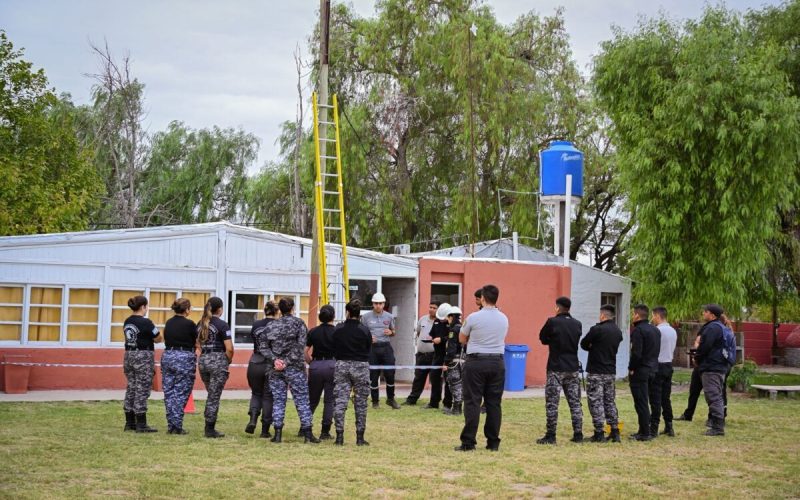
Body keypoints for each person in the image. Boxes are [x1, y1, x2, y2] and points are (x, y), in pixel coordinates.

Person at [455, 284, 508, 452]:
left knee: (472, 402)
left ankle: (468, 442)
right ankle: (493, 442)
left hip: (476, 362)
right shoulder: (504, 318)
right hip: (497, 362)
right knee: (494, 403)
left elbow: (462, 339)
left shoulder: (473, 317)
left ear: (483, 298)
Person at [262, 297, 319, 444]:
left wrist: (276, 360)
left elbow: (263, 346)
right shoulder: (299, 323)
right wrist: (286, 362)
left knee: (278, 401)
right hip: (295, 369)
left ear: (279, 309)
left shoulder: (271, 326)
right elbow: (301, 347)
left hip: (276, 369)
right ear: (292, 308)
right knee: (302, 401)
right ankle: (307, 434)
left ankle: (278, 434)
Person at [537, 296, 584, 445]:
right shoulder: (578, 324)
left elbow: (543, 338)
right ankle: (578, 433)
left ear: (557, 307)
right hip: (572, 367)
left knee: (552, 402)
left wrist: (553, 340)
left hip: (556, 367)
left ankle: (551, 435)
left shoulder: (552, 322)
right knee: (575, 402)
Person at [580, 304, 623, 443]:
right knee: (609, 401)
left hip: (596, 371)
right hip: (610, 371)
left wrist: (593, 346)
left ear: (603, 315)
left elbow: (584, 344)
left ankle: (599, 432)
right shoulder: (617, 331)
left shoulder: (597, 329)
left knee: (595, 402)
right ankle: (614, 431)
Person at [332, 299, 373, 446]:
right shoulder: (364, 330)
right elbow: (369, 348)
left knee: (340, 402)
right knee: (361, 402)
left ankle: (339, 436)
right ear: (359, 313)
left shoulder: (338, 328)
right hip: (361, 366)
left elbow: (333, 346)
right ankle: (360, 437)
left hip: (342, 365)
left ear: (347, 312)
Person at [122, 295, 162, 433]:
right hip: (143, 356)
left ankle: (129, 422)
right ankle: (141, 423)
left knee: (131, 387)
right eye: (147, 306)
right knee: (142, 388)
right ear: (143, 307)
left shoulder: (127, 321)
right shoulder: (146, 322)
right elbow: (158, 338)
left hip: (129, 355)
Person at [197, 296, 233, 438]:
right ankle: (209, 428)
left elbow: (197, 343)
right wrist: (227, 360)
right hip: (218, 360)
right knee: (214, 396)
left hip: (204, 359)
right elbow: (229, 348)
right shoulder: (222, 325)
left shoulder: (200, 324)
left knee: (211, 393)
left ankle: (209, 426)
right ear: (220, 309)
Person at [161, 298, 197, 435]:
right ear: (186, 310)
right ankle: (176, 426)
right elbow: (197, 339)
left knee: (169, 391)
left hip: (168, 355)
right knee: (181, 392)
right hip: (184, 357)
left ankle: (171, 424)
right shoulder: (189, 324)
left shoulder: (169, 322)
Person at [361, 292, 400, 409]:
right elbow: (361, 334)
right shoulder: (365, 317)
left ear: (384, 304)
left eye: (380, 303)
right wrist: (367, 338)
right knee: (373, 375)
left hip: (386, 347)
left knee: (390, 374)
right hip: (372, 349)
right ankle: (375, 401)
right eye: (376, 303)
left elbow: (394, 332)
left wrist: (391, 332)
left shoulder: (389, 316)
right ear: (372, 304)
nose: (378, 305)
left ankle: (391, 399)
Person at [246, 300, 279, 438]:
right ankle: (265, 430)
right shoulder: (278, 326)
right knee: (268, 396)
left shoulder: (256, 325)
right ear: (277, 312)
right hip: (271, 362)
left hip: (255, 361)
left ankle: (252, 419)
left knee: (256, 393)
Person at [628, 303, 660, 441]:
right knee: (648, 400)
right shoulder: (655, 330)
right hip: (653, 368)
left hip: (641, 370)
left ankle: (645, 433)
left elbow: (636, 353)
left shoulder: (638, 331)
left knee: (641, 401)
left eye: (633, 314)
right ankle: (645, 429)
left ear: (636, 315)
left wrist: (631, 368)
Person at [695, 304, 728, 436]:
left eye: (706, 312)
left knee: (713, 396)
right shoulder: (720, 327)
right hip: (718, 366)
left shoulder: (713, 328)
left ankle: (718, 427)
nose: (703, 313)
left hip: (712, 367)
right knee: (716, 395)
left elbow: (705, 346)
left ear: (712, 315)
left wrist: (697, 357)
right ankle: (716, 423)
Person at [305, 304, 337, 440]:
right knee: (329, 401)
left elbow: (304, 351)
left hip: (316, 365)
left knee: (312, 400)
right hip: (332, 364)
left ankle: (305, 427)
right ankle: (325, 431)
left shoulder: (313, 331)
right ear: (333, 316)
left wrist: (311, 362)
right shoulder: (337, 331)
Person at [403, 301, 439, 406]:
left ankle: (434, 402)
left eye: (434, 308)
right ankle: (412, 400)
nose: (431, 309)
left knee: (435, 380)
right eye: (430, 307)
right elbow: (418, 333)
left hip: (435, 356)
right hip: (422, 355)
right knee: (418, 378)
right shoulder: (423, 319)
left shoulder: (441, 322)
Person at [649, 306, 677, 437]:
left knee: (655, 398)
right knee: (666, 398)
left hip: (658, 365)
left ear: (657, 316)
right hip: (668, 365)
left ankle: (653, 427)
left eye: (653, 315)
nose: (652, 318)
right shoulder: (672, 330)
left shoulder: (657, 331)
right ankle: (669, 425)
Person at [424, 302, 451, 409]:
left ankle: (447, 403)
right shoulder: (436, 321)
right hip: (437, 354)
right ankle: (434, 402)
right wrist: (431, 338)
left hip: (449, 355)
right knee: (434, 377)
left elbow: (453, 338)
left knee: (448, 379)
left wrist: (442, 339)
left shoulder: (454, 324)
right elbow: (433, 333)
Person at [442, 306, 464, 416]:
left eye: (448, 317)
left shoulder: (454, 330)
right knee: (461, 384)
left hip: (454, 361)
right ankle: (458, 408)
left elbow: (451, 349)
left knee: (454, 384)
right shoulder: (462, 327)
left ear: (452, 316)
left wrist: (446, 362)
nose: (447, 320)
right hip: (463, 360)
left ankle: (456, 409)